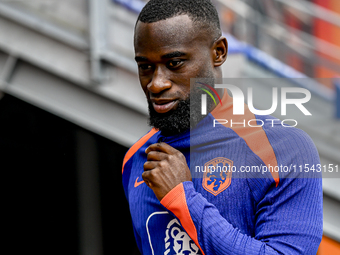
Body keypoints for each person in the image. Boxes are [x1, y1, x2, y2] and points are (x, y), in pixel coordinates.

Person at [122, 0, 323, 254]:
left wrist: (182, 198)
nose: (156, 84)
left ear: (218, 52)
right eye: (146, 67)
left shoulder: (284, 149)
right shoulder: (134, 159)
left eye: (174, 63)